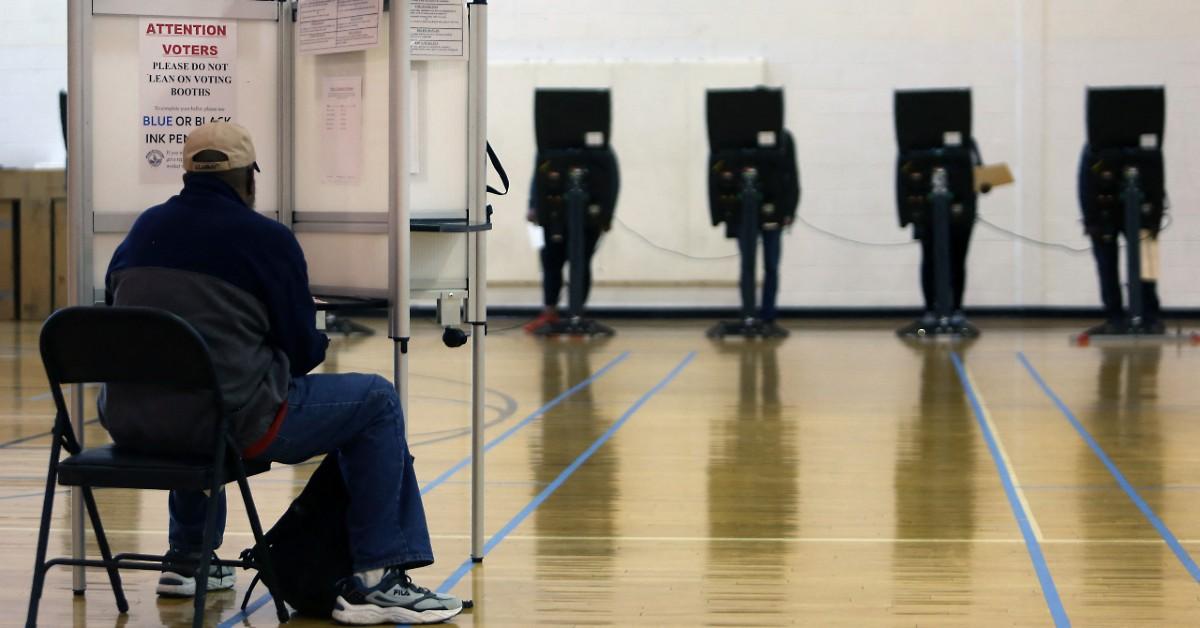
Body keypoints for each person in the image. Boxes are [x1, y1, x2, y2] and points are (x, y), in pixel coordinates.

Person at [98, 122, 462, 624]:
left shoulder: (141, 231)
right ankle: (377, 578)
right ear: (249, 179)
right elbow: (301, 350)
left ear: (186, 174)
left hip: (133, 422)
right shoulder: (264, 238)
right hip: (231, 425)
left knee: (191, 382)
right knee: (376, 400)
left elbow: (127, 318)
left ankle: (188, 560)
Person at [524, 151, 618, 333]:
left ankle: (577, 314)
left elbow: (612, 182)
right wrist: (532, 205)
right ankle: (549, 312)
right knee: (550, 262)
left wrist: (606, 215)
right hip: (552, 217)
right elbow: (538, 178)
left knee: (581, 262)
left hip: (588, 218)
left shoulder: (601, 152)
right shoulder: (549, 147)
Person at [1077, 144, 1165, 335]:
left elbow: (1156, 180)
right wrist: (1091, 220)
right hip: (1104, 212)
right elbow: (1087, 180)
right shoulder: (1097, 150)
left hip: (1142, 210)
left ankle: (1150, 317)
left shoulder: (1148, 149)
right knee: (1107, 265)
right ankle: (1115, 318)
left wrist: (1155, 216)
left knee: (1147, 264)